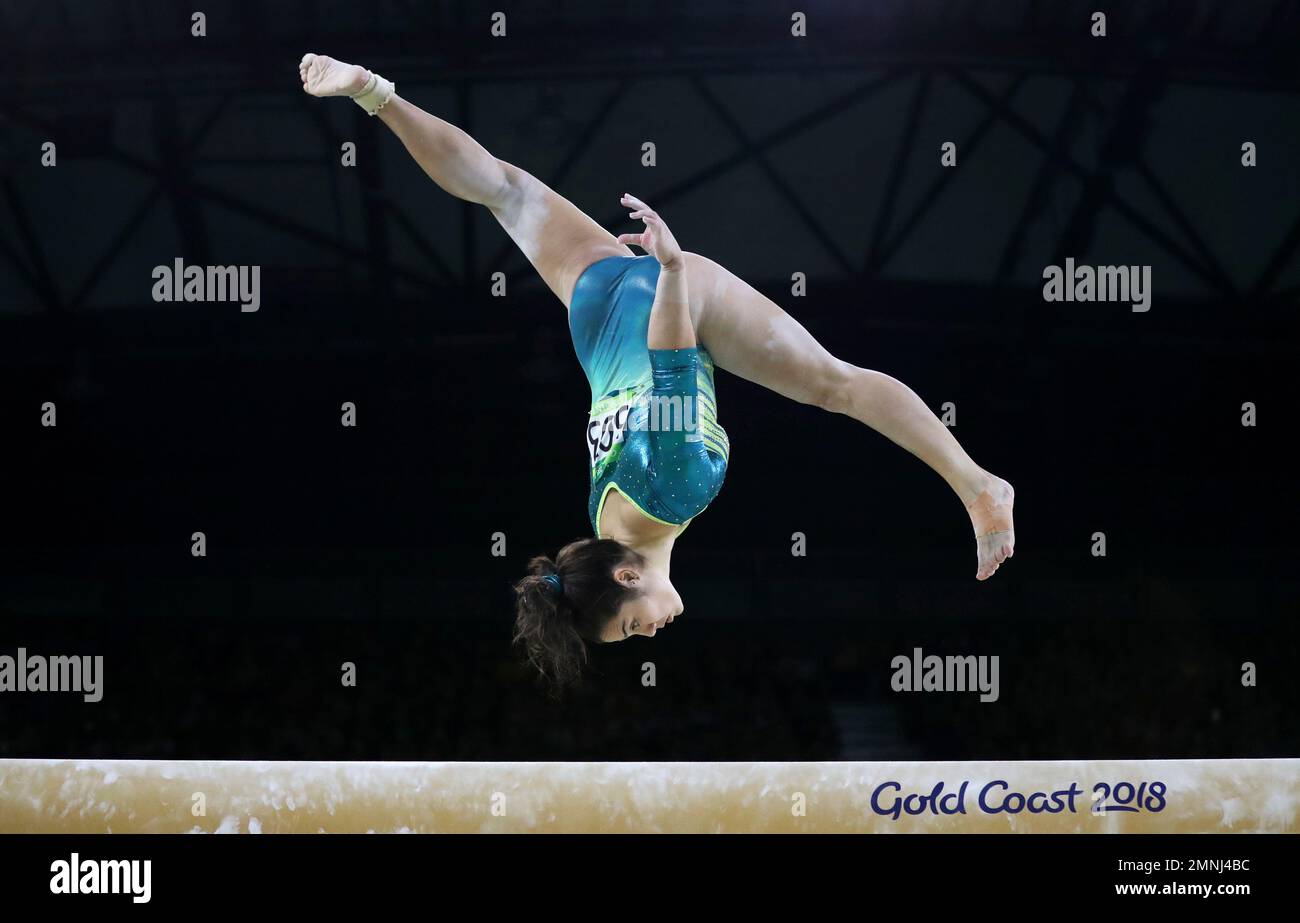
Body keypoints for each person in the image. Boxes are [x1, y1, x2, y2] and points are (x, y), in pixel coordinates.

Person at [299, 54, 1015, 689]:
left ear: (628, 575)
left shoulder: (674, 493)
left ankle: (978, 483)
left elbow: (675, 368)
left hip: (668, 309)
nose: (650, 636)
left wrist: (672, 272)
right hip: (596, 318)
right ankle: (374, 93)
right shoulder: (600, 525)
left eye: (633, 627)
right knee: (506, 193)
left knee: (837, 385)